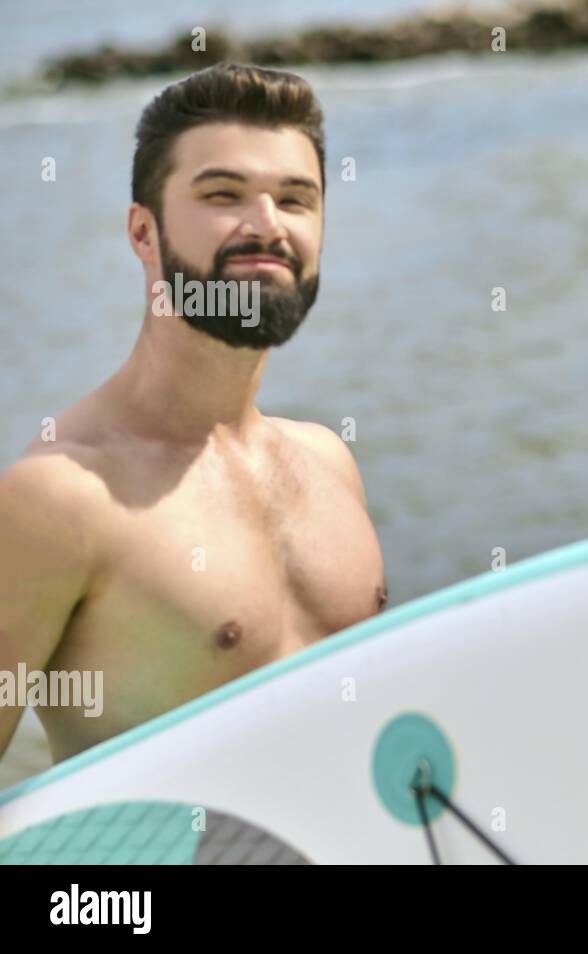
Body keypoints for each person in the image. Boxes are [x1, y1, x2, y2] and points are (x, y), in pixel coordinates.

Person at [0, 63, 385, 763]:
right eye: (223, 194)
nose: (266, 226)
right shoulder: (59, 498)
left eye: (296, 200)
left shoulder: (330, 463)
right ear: (143, 234)